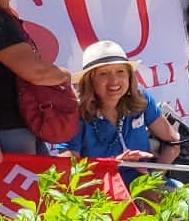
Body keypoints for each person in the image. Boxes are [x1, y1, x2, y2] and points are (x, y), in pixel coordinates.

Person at [0, 0, 72, 157]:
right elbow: (38, 72)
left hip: (14, 126)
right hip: (4, 130)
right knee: (23, 192)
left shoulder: (1, 15)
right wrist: (64, 75)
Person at [60, 39, 181, 183]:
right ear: (90, 80)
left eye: (120, 72)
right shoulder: (75, 113)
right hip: (99, 192)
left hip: (143, 184)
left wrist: (152, 181)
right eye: (103, 74)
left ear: (129, 76)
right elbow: (66, 169)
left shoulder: (142, 99)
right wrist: (112, 164)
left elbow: (173, 143)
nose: (114, 81)